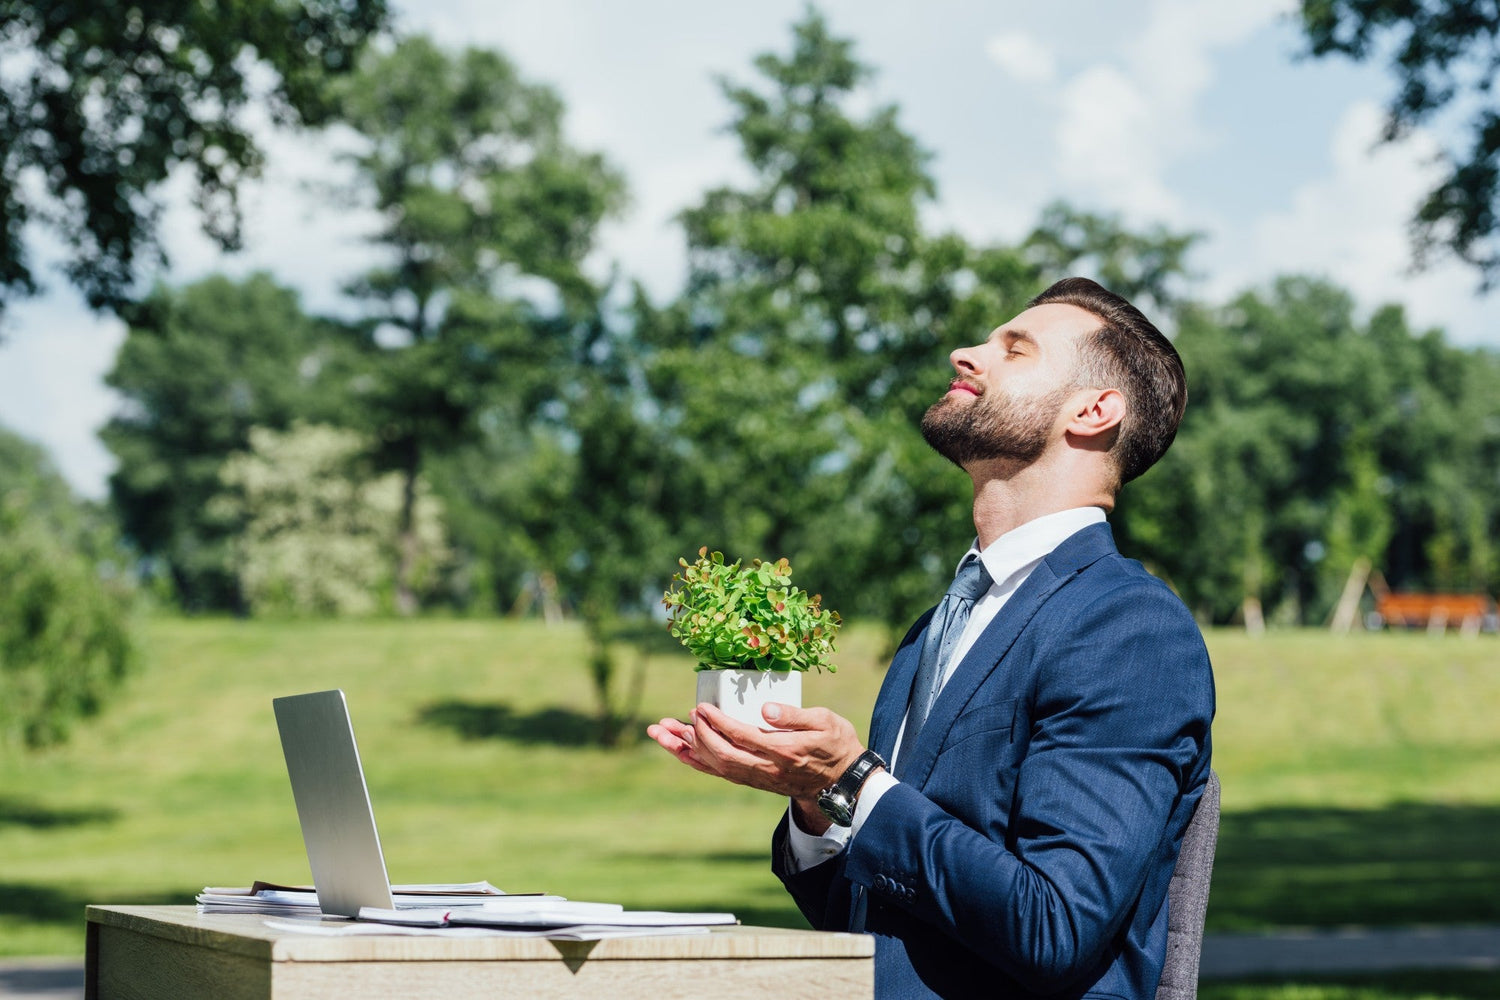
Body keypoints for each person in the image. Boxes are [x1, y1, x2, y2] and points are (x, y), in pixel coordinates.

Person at [648, 277, 1215, 1000]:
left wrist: (853, 781)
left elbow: (1056, 925)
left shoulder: (1129, 628)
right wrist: (816, 804)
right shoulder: (940, 625)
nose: (966, 353)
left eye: (1015, 348)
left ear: (1095, 411)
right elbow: (882, 924)